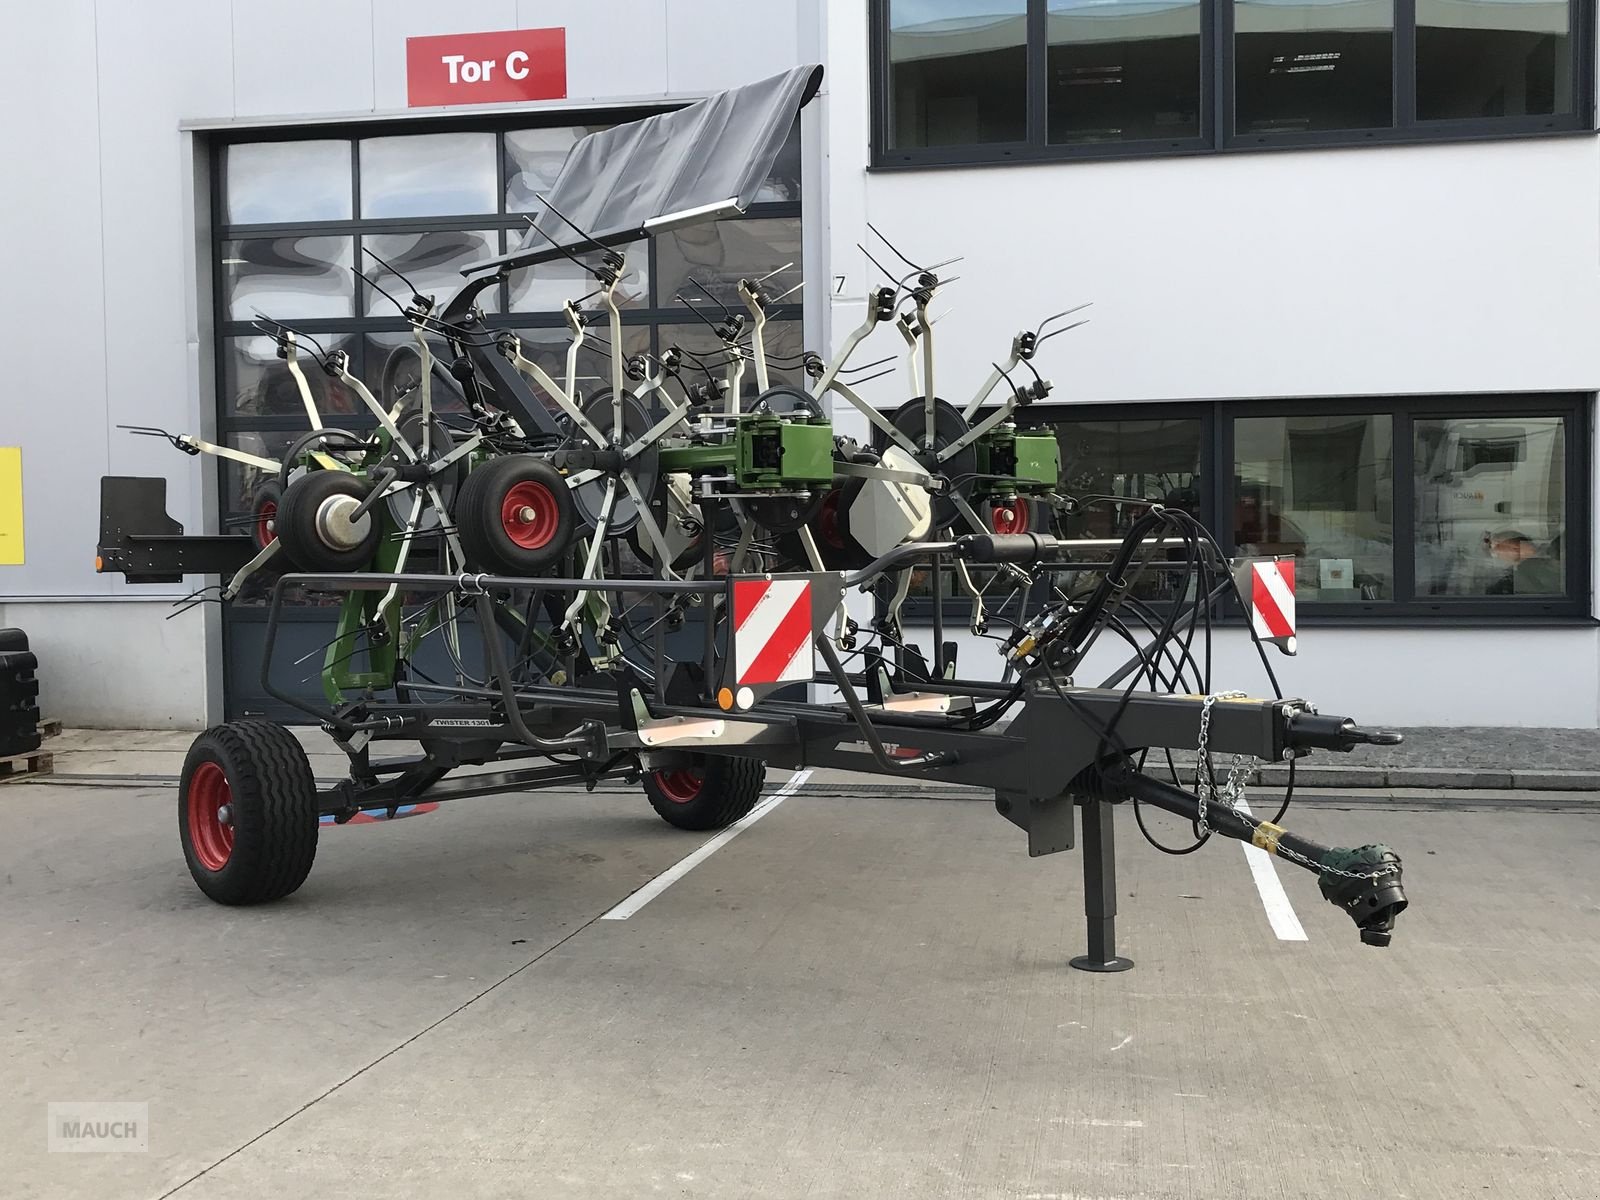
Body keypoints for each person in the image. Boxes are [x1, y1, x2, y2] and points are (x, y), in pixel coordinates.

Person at [1485, 529, 1560, 595]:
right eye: (1496, 551)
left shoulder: (1556, 548)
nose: (1497, 552)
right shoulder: (1512, 578)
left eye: (1499, 546)